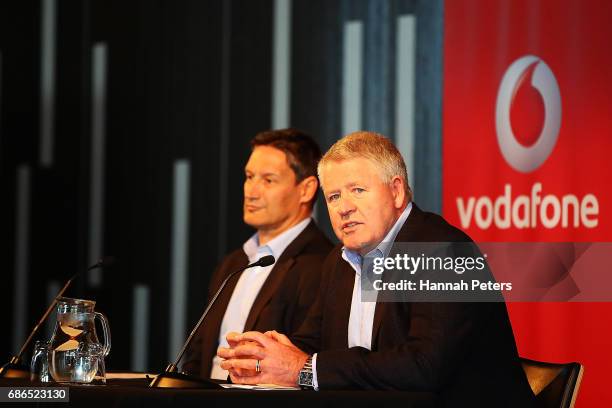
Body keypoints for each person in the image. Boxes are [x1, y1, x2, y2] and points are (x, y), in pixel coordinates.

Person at [218, 131, 536, 406]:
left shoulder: (442, 251)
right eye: (334, 196)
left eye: (357, 190)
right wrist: (269, 356)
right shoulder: (340, 261)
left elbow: (424, 365)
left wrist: (304, 368)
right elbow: (313, 346)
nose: (344, 207)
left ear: (396, 191)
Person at [182, 128, 333, 380]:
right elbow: (199, 354)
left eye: (268, 180)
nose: (251, 191)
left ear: (306, 189)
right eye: (249, 176)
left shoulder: (323, 264)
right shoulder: (233, 263)